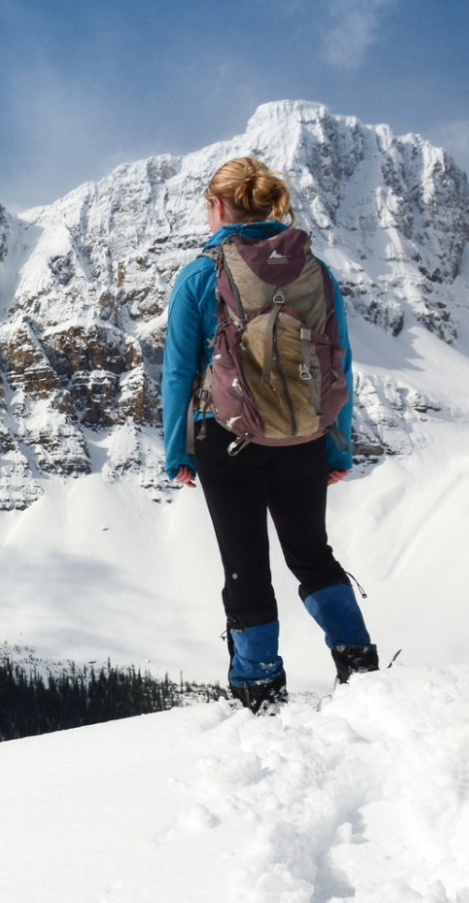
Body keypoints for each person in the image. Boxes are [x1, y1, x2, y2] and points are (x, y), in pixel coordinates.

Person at [162, 156, 379, 712]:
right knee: (311, 554)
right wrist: (336, 443)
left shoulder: (200, 273)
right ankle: (360, 666)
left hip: (226, 439)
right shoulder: (316, 270)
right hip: (304, 437)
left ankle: (259, 688)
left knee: (245, 564)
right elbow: (340, 363)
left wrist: (177, 451)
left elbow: (180, 372)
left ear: (217, 205)